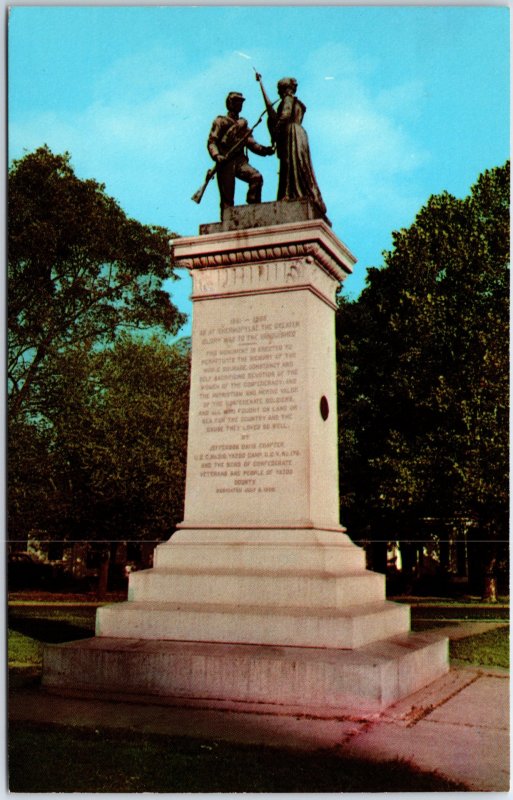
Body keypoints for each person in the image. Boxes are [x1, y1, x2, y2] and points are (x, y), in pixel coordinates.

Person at [265, 77, 327, 216]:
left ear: (284, 89)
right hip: (300, 133)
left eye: (279, 89)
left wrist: (276, 130)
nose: (278, 92)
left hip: (291, 133)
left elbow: (285, 115)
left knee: (290, 165)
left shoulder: (288, 99)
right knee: (301, 165)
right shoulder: (298, 102)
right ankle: (303, 193)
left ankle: (289, 194)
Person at [207, 91, 274, 214]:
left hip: (240, 161)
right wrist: (217, 155)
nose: (239, 104)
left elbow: (252, 144)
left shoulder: (243, 126)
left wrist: (266, 150)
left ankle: (253, 209)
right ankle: (227, 222)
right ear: (230, 103)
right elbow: (212, 141)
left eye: (241, 102)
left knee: (256, 177)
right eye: (237, 102)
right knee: (227, 198)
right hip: (225, 162)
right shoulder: (221, 121)